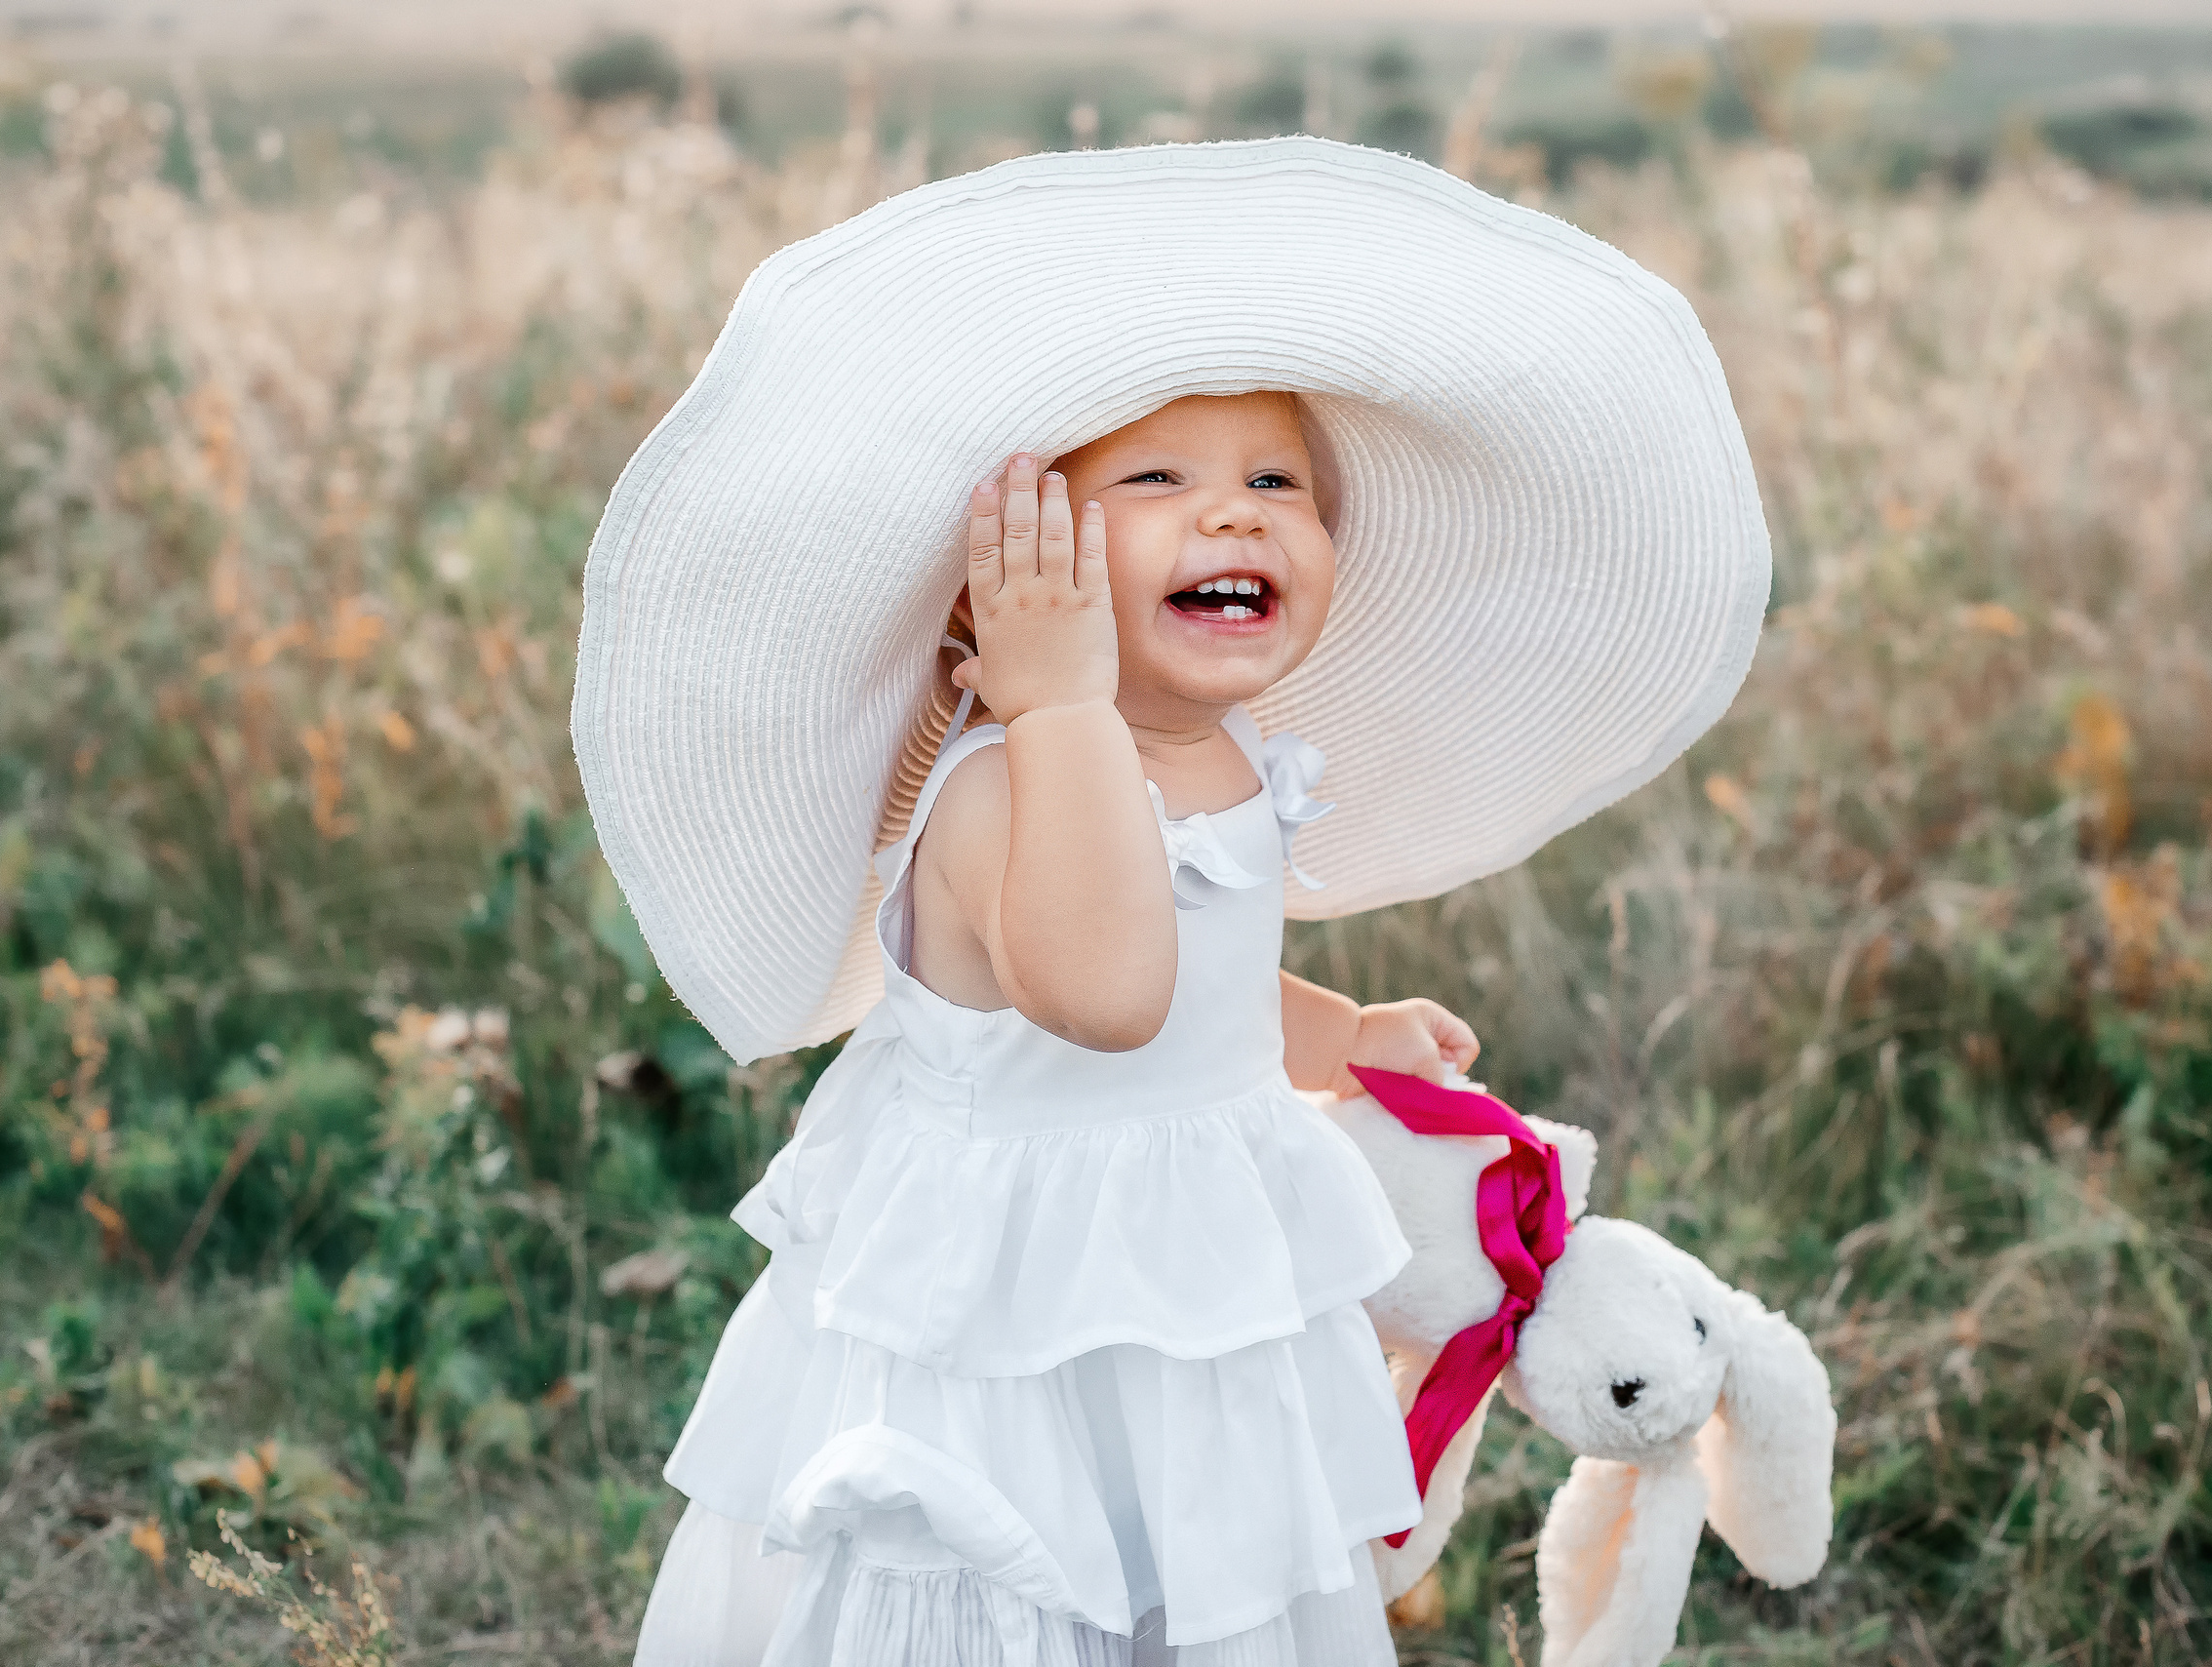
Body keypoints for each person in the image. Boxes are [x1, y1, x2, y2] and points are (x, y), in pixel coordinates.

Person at [572, 136, 1772, 1667]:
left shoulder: (1225, 754)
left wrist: (1339, 1031)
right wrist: (1057, 701)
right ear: (1004, 582)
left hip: (1181, 1262)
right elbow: (1108, 992)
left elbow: (1202, 987)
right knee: (1013, 1581)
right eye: (1159, 480)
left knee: (1191, 1563)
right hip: (1012, 1309)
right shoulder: (1012, 778)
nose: (1239, 514)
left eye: (1279, 481)